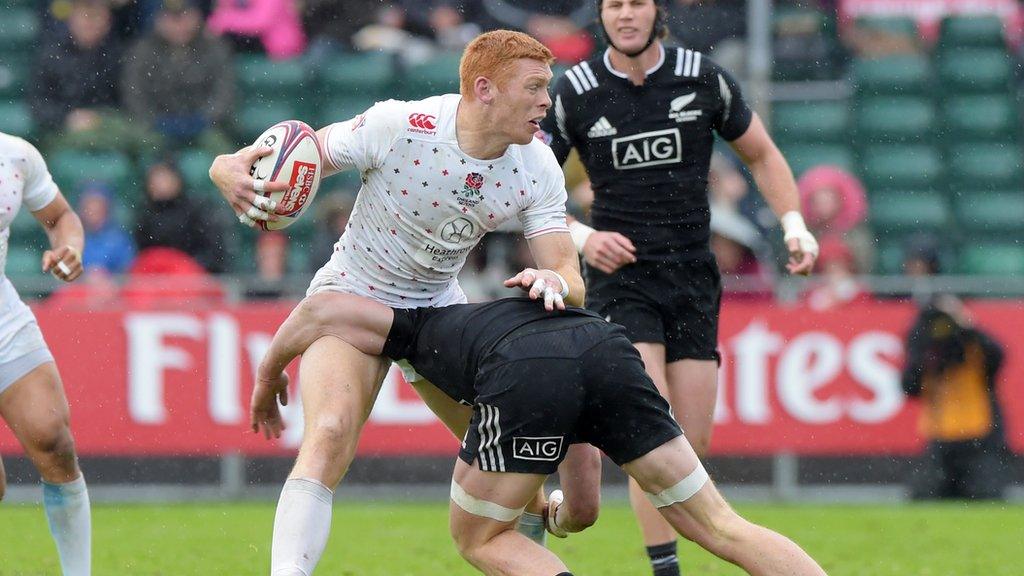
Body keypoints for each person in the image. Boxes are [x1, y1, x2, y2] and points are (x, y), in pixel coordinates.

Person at [209, 30, 595, 575]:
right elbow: (298, 155)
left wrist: (554, 283)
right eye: (534, 88)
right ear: (484, 89)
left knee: (509, 461)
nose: (545, 102)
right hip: (352, 298)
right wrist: (224, 166)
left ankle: (540, 522)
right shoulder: (400, 126)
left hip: (438, 312)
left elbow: (567, 273)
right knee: (329, 433)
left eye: (546, 88)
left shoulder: (537, 167)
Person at [252, 293, 830, 576]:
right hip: (608, 347)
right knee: (720, 525)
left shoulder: (416, 326)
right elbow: (584, 508)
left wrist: (268, 372)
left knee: (479, 539)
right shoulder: (501, 309)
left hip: (527, 370)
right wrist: (554, 515)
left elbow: (317, 312)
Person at [537, 1, 818, 573]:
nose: (625, 15)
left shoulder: (703, 76)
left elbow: (762, 154)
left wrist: (794, 225)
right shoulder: (576, 91)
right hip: (621, 281)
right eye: (613, 4)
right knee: (653, 432)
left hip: (692, 276)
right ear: (602, 15)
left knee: (692, 445)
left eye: (636, 2)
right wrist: (585, 237)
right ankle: (666, 567)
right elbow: (524, 191)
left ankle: (588, 520)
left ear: (657, 10)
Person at [0, 132, 90, 575]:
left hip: (3, 320)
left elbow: (61, 217)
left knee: (53, 439)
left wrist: (69, 248)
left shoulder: (15, 155)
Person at [901, 304, 1010, 500]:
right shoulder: (926, 356)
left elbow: (998, 354)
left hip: (977, 438)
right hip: (940, 439)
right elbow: (908, 386)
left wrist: (967, 324)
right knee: (925, 495)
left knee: (985, 495)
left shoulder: (975, 349)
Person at [121, 0, 234, 152]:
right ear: (157, 19)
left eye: (186, 16)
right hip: (155, 128)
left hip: (205, 126)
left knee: (222, 151)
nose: (180, 24)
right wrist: (155, 121)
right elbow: (134, 95)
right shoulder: (142, 51)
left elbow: (225, 92)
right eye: (171, 18)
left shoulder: (214, 47)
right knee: (142, 148)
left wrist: (204, 118)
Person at [135, 158, 227, 274]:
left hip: (192, 279)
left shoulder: (196, 210)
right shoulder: (144, 214)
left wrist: (186, 267)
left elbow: (212, 253)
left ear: (177, 180)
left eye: (164, 178)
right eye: (156, 180)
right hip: (155, 281)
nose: (160, 185)